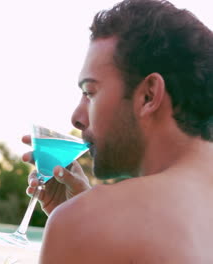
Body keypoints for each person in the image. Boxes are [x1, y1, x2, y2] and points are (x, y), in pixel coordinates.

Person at [23, 0, 213, 263]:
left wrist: (84, 221)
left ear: (148, 95)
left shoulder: (86, 221)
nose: (77, 118)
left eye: (90, 92)